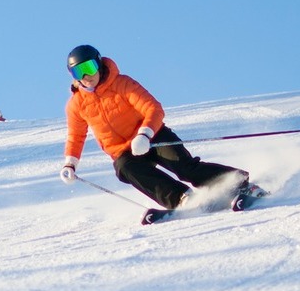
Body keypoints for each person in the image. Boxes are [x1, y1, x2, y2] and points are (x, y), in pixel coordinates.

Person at [59, 45, 251, 217]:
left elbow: (153, 108)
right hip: (125, 151)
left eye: (89, 68)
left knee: (185, 169)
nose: (86, 77)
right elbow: (76, 136)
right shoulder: (76, 105)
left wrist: (144, 134)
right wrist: (70, 164)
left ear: (99, 65)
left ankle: (237, 182)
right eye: (78, 72)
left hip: (153, 136)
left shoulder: (122, 84)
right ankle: (182, 199)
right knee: (124, 168)